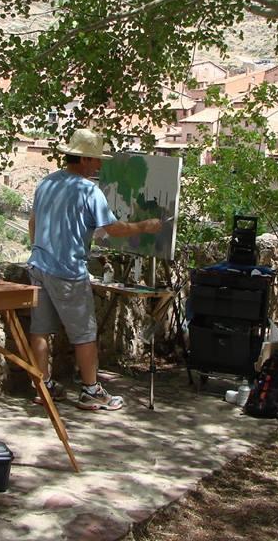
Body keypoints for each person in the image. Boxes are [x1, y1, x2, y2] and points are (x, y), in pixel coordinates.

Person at [27, 129, 162, 411]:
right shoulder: (89, 191)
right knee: (84, 334)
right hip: (67, 271)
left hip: (38, 266)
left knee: (40, 330)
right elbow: (112, 228)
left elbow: (33, 222)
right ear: (85, 159)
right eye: (97, 160)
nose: (100, 165)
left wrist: (39, 250)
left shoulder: (47, 182)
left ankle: (43, 386)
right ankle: (91, 392)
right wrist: (144, 226)